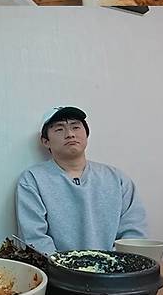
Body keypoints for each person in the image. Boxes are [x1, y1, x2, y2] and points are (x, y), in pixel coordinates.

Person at [16, 106, 148, 256]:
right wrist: (65, 265)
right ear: (45, 141)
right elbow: (34, 238)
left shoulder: (117, 179)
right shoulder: (33, 180)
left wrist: (111, 264)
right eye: (59, 129)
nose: (70, 134)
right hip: (58, 269)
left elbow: (134, 234)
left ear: (86, 134)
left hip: (115, 268)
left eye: (76, 127)